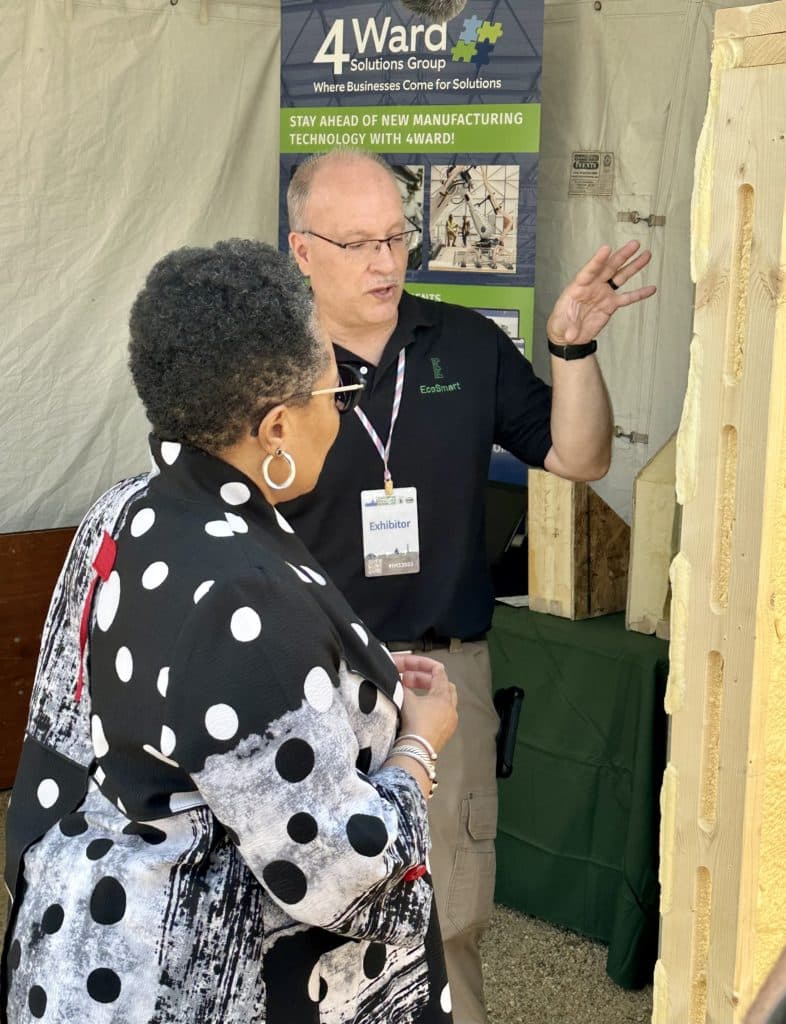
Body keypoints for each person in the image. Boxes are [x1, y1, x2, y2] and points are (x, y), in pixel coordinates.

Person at [2, 239, 459, 1023]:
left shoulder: (126, 512)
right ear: (276, 428)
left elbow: (88, 723)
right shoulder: (248, 597)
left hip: (87, 951)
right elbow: (336, 872)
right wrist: (419, 745)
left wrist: (350, 683)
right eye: (336, 391)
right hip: (193, 985)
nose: (343, 408)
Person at [283, 150, 656, 1024]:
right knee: (296, 915)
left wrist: (573, 347)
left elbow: (580, 456)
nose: (385, 262)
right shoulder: (267, 362)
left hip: (442, 678)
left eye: (397, 238)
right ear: (302, 251)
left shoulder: (463, 341)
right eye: (357, 243)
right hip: (301, 679)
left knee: (447, 917)